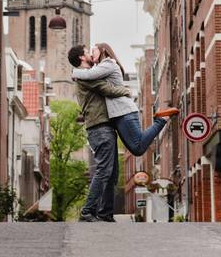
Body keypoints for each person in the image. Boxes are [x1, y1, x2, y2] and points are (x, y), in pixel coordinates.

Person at [72, 42, 179, 157]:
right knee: (136, 149)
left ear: (103, 50)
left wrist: (74, 72)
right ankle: (160, 120)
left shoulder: (108, 63)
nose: (92, 54)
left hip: (123, 111)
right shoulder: (102, 67)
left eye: (93, 51)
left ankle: (161, 120)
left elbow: (90, 75)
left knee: (138, 147)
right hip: (119, 114)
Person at [68, 45, 131, 223]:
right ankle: (87, 211)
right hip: (99, 127)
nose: (90, 54)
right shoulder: (85, 77)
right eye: (87, 52)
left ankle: (105, 213)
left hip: (104, 127)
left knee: (111, 173)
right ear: (81, 58)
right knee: (104, 170)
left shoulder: (88, 74)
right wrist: (127, 91)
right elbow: (107, 89)